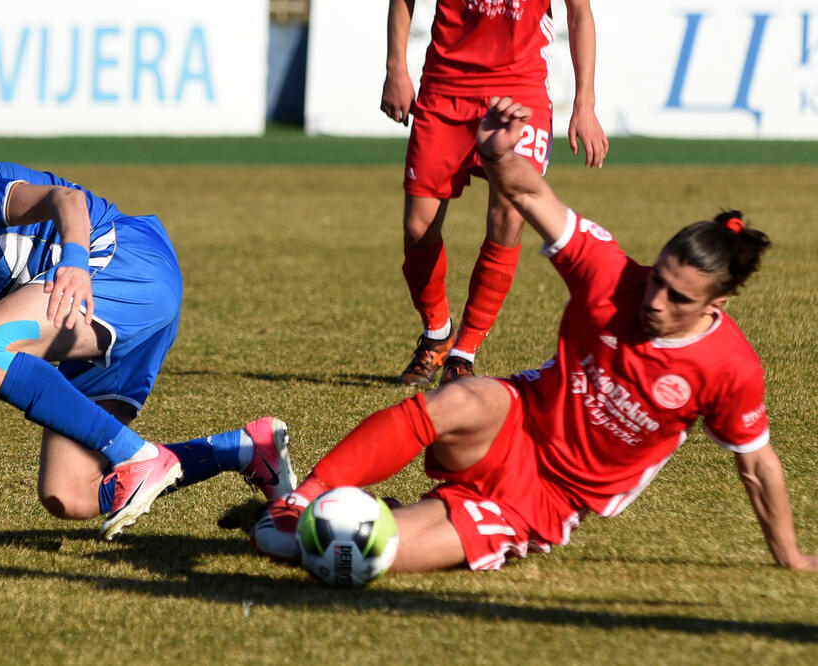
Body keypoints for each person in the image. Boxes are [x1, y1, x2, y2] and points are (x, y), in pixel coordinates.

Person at [252, 97, 818, 573]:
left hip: (547, 498)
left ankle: (352, 521)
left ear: (717, 304)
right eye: (657, 279)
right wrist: (498, 153)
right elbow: (531, 196)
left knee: (356, 555)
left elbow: (758, 463)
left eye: (678, 298)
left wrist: (789, 555)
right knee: (462, 395)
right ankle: (298, 498)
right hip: (515, 419)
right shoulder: (611, 275)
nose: (654, 300)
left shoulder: (729, 366)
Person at [0, 160, 297, 547]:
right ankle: (244, 450)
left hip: (124, 264)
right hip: (87, 314)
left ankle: (138, 455)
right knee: (69, 495)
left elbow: (66, 199)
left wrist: (73, 262)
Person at [382, 0, 610, 386]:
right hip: (446, 87)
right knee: (418, 229)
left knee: (509, 217)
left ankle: (463, 353)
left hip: (519, 91)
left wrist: (584, 103)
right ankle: (437, 334)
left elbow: (580, 14)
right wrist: (396, 68)